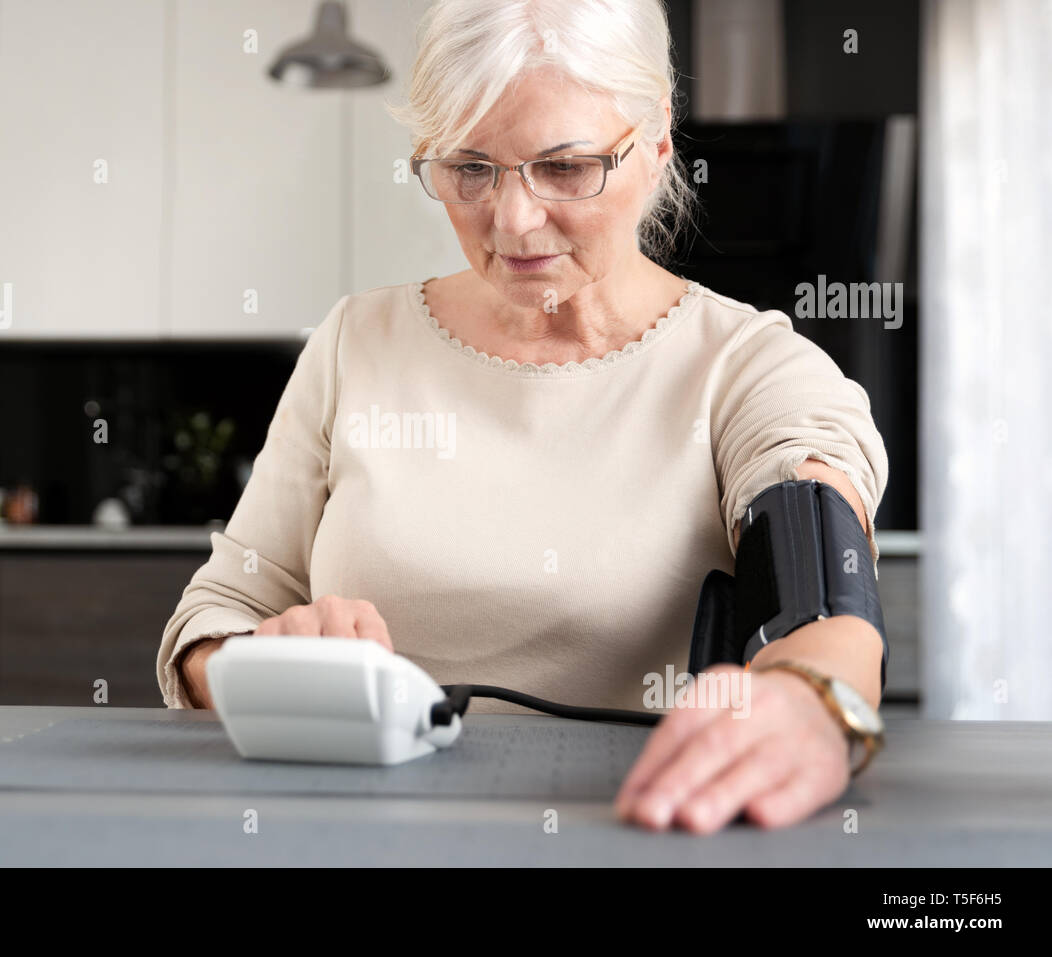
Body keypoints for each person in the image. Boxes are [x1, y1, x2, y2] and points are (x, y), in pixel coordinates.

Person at [157, 0, 889, 835]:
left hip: (633, 831)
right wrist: (268, 663)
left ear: (654, 145)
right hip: (350, 838)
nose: (512, 220)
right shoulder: (355, 344)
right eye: (469, 168)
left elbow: (822, 596)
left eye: (566, 167)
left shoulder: (748, 367)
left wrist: (810, 700)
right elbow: (210, 620)